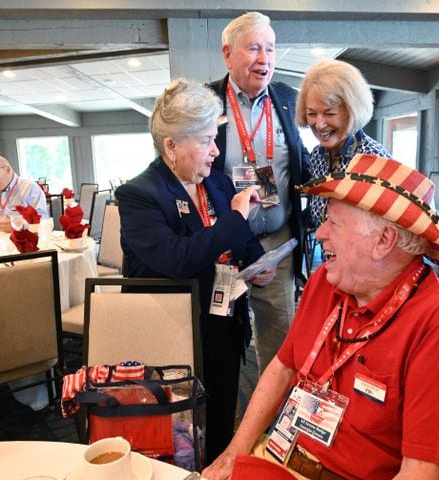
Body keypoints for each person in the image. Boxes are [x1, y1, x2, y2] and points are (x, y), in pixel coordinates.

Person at [203, 154, 439, 480]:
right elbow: (283, 367)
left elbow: (420, 474)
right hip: (279, 453)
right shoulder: (325, 282)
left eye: (334, 223)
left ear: (383, 241)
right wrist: (233, 453)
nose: (321, 232)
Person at [115, 78, 275, 463]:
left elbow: (240, 238)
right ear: (171, 145)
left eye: (214, 138)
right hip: (173, 335)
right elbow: (179, 258)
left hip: (222, 320)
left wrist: (256, 261)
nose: (215, 150)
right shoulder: (140, 195)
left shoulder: (215, 182)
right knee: (176, 438)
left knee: (220, 422)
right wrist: (237, 217)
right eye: (205, 140)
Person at [207, 11, 310, 376]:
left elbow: (302, 163)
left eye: (270, 48)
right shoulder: (206, 103)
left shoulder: (287, 99)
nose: (265, 59)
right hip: (225, 248)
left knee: (282, 345)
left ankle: (276, 426)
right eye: (254, 48)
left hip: (277, 247)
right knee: (220, 340)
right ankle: (223, 425)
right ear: (228, 54)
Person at [296, 58, 389, 229]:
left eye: (330, 114)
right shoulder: (318, 155)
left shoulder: (373, 159)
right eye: (311, 114)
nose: (319, 124)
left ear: (352, 111)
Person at [0, 154, 48, 233]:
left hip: (20, 240)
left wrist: (20, 226)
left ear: (7, 170)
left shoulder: (30, 188)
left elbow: (43, 223)